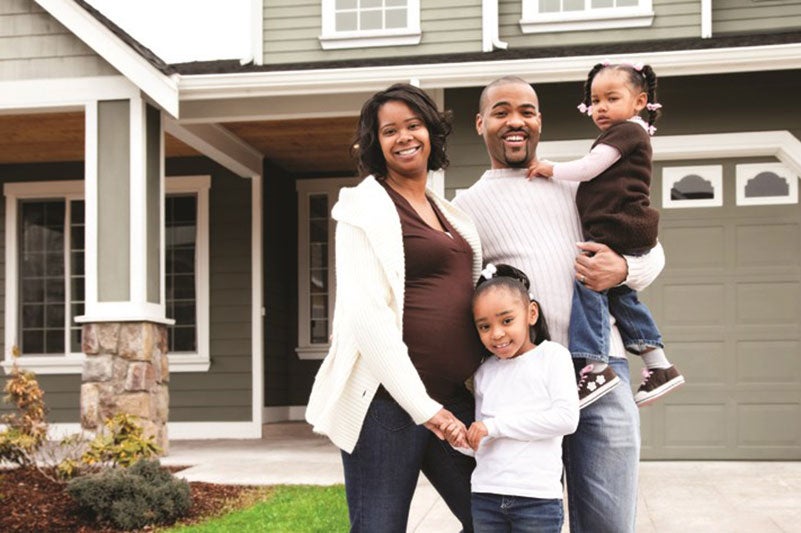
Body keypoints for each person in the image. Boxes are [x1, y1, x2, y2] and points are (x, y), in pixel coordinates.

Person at [453, 75, 665, 533]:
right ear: (480, 123)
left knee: (608, 522)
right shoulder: (466, 207)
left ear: (539, 121)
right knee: (530, 519)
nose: (516, 121)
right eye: (502, 111)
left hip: (601, 374)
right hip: (523, 383)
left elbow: (652, 249)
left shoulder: (580, 180)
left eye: (527, 111)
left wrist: (624, 271)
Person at [305, 83, 485, 532]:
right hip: (386, 405)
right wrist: (423, 408)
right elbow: (366, 316)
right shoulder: (363, 207)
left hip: (451, 397)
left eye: (414, 125)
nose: (404, 137)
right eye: (389, 131)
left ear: (431, 133)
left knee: (493, 520)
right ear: (375, 143)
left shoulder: (448, 212)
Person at [528, 62, 684, 408]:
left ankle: (596, 367)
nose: (601, 107)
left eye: (612, 98)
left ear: (639, 101)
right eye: (595, 100)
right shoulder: (625, 133)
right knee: (620, 296)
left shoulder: (627, 131)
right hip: (623, 226)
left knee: (589, 284)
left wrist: (549, 168)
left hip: (619, 225)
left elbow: (588, 168)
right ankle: (659, 364)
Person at [447, 263, 579, 533]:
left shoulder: (553, 357)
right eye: (484, 326)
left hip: (537, 500)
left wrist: (492, 427)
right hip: (486, 495)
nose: (496, 334)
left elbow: (566, 419)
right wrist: (462, 440)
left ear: (531, 313)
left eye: (507, 321)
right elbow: (484, 439)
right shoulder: (484, 371)